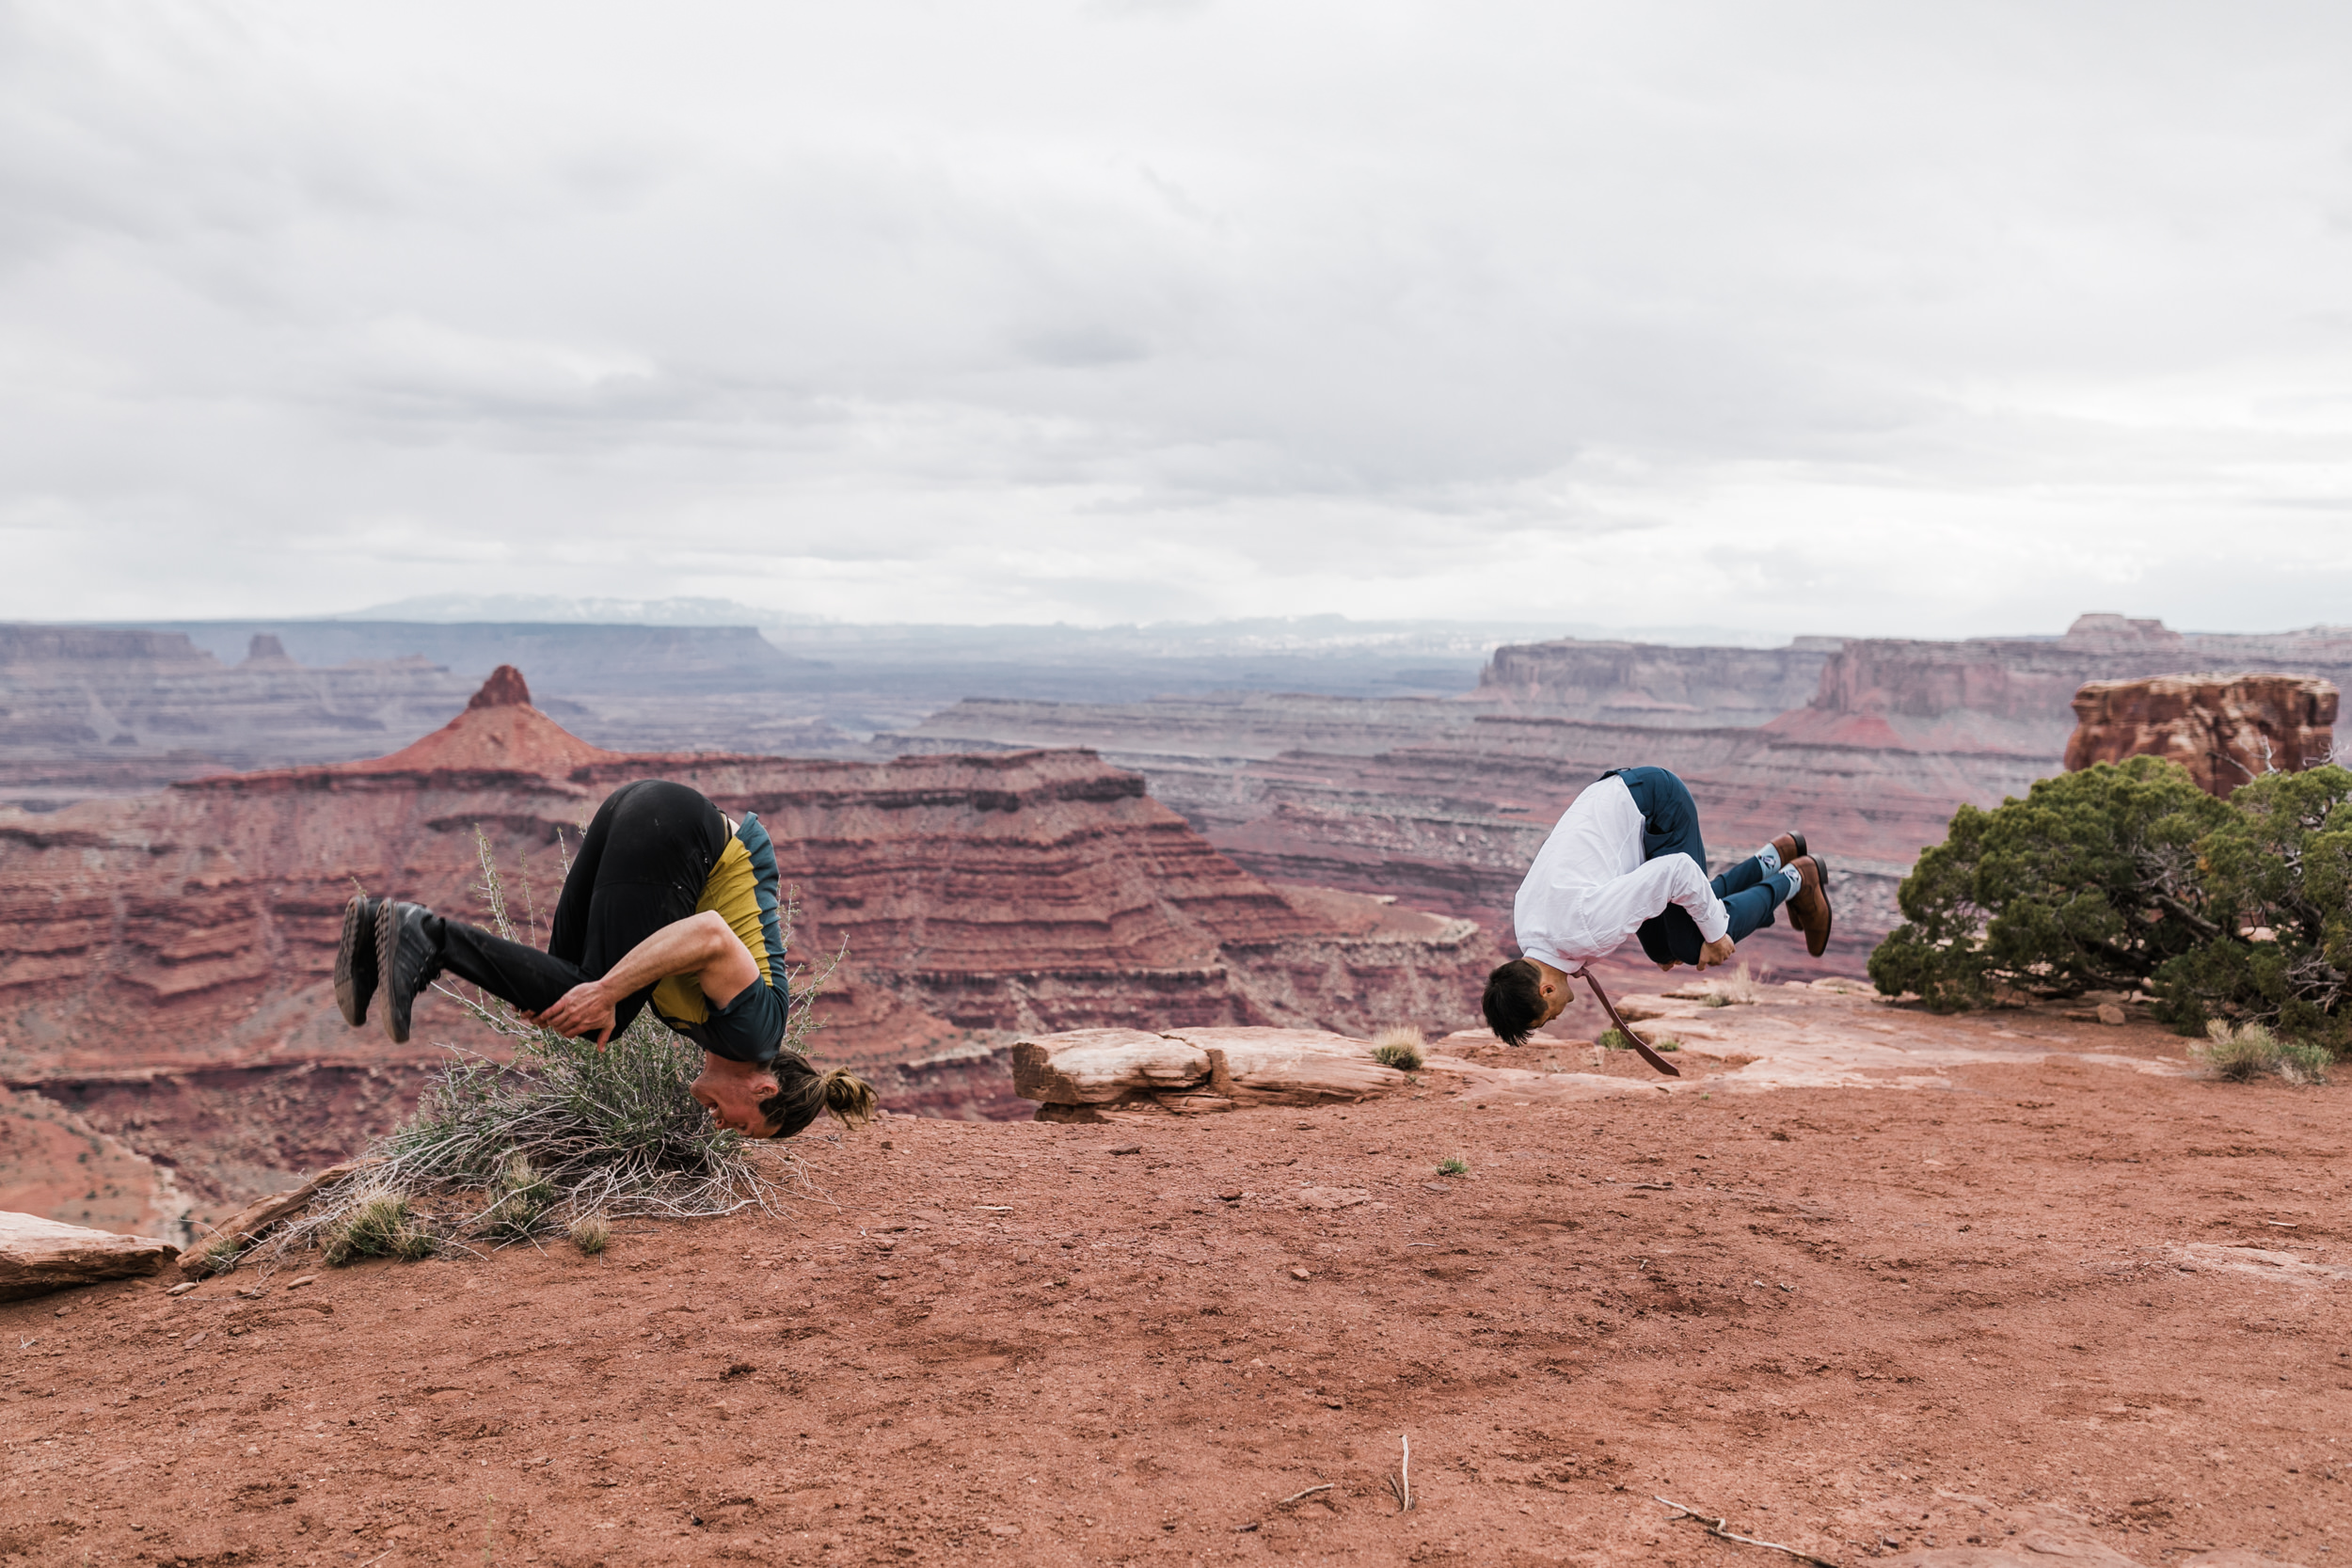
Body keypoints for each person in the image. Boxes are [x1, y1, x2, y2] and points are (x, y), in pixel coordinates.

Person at [331, 779, 874, 1140]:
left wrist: (554, 993)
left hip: (642, 812)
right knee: (594, 998)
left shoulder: (712, 1032)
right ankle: (422, 936)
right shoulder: (755, 1032)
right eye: (744, 1127)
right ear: (764, 1090)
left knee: (570, 1004)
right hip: (682, 830)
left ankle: (373, 933)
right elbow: (709, 933)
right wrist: (609, 990)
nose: (721, 1128)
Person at [1482, 766, 1833, 1047]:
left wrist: (1717, 933)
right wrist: (1661, 945)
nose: (1558, 1015)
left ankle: (1798, 880)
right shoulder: (1529, 928)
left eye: (1549, 1017)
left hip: (1657, 807)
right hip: (1626, 800)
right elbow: (1630, 895)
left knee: (1692, 944)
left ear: (1547, 990)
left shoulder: (1584, 930)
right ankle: (1773, 857)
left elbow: (1677, 870)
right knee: (1665, 948)